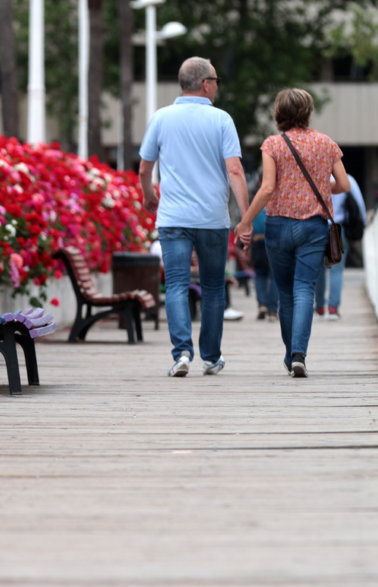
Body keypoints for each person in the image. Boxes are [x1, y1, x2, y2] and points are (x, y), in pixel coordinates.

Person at [139, 57, 250, 377]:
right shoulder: (221, 120)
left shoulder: (161, 118)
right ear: (205, 84)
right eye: (216, 80)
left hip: (172, 218)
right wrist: (245, 218)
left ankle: (181, 354)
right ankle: (211, 357)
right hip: (212, 220)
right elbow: (235, 170)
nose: (217, 86)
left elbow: (145, 168)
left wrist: (148, 195)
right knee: (214, 287)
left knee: (175, 284)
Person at [234, 88, 350, 378]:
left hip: (278, 226)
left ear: (279, 114)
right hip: (313, 227)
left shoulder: (273, 144)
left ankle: (290, 355)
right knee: (304, 290)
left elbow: (268, 187)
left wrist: (245, 221)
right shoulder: (326, 143)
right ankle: (299, 354)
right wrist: (324, 188)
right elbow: (344, 185)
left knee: (284, 293)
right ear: (308, 112)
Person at [314, 174, 366, 320]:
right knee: (336, 269)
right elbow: (359, 205)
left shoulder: (314, 173)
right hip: (337, 228)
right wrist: (360, 228)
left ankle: (319, 306)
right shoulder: (347, 178)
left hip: (316, 226)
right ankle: (333, 308)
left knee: (318, 269)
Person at [251, 208, 278, 320]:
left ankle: (262, 304)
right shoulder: (278, 198)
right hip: (275, 242)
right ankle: (272, 310)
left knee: (260, 274)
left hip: (258, 243)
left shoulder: (255, 201)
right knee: (275, 276)